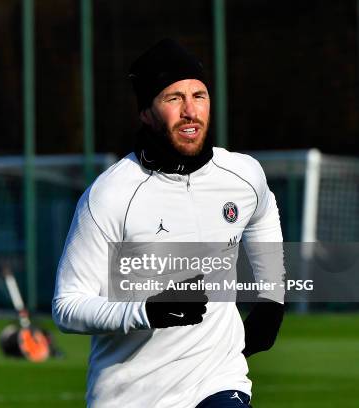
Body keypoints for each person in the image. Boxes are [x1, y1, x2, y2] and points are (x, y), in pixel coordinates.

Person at [52, 38, 285, 408]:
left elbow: (263, 211)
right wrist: (145, 310)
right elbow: (67, 307)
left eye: (199, 95)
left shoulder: (242, 174)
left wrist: (272, 299)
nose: (191, 111)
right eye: (173, 98)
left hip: (218, 380)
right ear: (146, 112)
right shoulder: (111, 196)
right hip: (131, 396)